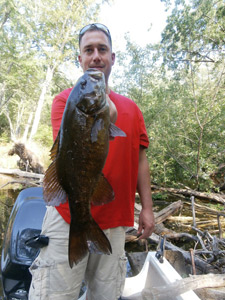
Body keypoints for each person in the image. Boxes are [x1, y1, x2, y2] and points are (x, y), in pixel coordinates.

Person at [29, 23, 155, 300]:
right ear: (80, 59)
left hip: (116, 221)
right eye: (89, 50)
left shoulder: (133, 109)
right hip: (67, 216)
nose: (96, 55)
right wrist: (103, 114)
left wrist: (147, 208)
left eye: (102, 49)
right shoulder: (65, 101)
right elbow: (68, 156)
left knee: (106, 296)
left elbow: (141, 160)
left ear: (112, 57)